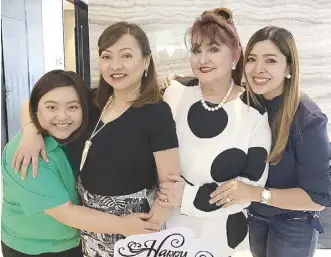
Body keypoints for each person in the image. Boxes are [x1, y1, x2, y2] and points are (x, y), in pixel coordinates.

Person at [10, 22, 181, 257]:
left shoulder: (157, 113)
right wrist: (31, 129)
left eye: (126, 55)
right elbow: (33, 102)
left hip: (136, 228)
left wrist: (146, 229)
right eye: (107, 56)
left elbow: (170, 185)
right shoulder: (92, 101)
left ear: (145, 61)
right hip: (90, 225)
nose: (115, 66)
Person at [1, 70, 160, 257]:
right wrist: (124, 225)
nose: (62, 117)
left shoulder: (79, 131)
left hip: (79, 239)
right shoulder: (27, 154)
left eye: (72, 107)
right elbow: (66, 212)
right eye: (51, 108)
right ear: (37, 110)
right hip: (36, 247)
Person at [207, 26, 331, 257]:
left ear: (289, 68)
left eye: (271, 60)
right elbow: (212, 86)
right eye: (252, 59)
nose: (258, 69)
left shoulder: (308, 119)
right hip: (255, 217)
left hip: (293, 222)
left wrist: (254, 193)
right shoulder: (248, 103)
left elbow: (318, 199)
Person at [157, 8, 271, 257]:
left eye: (213, 49)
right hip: (167, 228)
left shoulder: (253, 112)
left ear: (235, 54)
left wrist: (187, 197)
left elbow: (248, 189)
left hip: (224, 236)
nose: (202, 59)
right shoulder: (173, 92)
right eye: (197, 50)